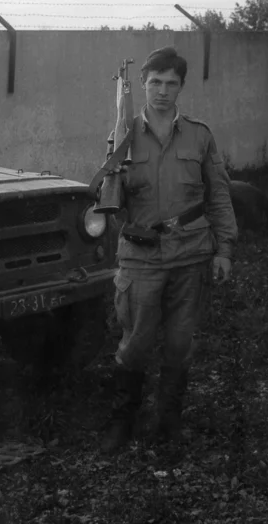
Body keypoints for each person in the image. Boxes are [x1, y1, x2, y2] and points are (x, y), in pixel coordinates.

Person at [101, 46, 237, 453]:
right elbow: (111, 204)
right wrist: (115, 178)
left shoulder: (200, 135)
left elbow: (219, 195)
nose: (162, 91)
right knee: (136, 343)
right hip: (141, 258)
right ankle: (120, 425)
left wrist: (224, 249)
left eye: (170, 83)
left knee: (180, 343)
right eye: (155, 82)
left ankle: (168, 425)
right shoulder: (122, 136)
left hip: (192, 255)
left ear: (181, 87)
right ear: (142, 85)